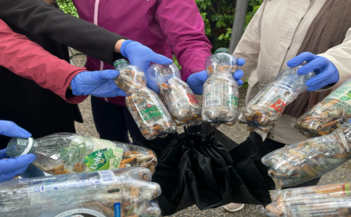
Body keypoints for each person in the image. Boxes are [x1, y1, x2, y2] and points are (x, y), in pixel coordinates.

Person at [216, 0, 351, 217]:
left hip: (315, 111)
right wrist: (230, 72)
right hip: (265, 103)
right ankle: (242, 193)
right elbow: (252, 41)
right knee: (255, 153)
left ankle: (283, 210)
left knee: (302, 167)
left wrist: (335, 62)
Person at [0, 0, 172, 177]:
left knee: (62, 164)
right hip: (17, 98)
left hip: (54, 91)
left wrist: (70, 77)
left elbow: (21, 30)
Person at [70, 0, 245, 144]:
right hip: (102, 86)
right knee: (112, 148)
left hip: (150, 87)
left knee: (156, 154)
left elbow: (187, 35)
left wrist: (197, 67)